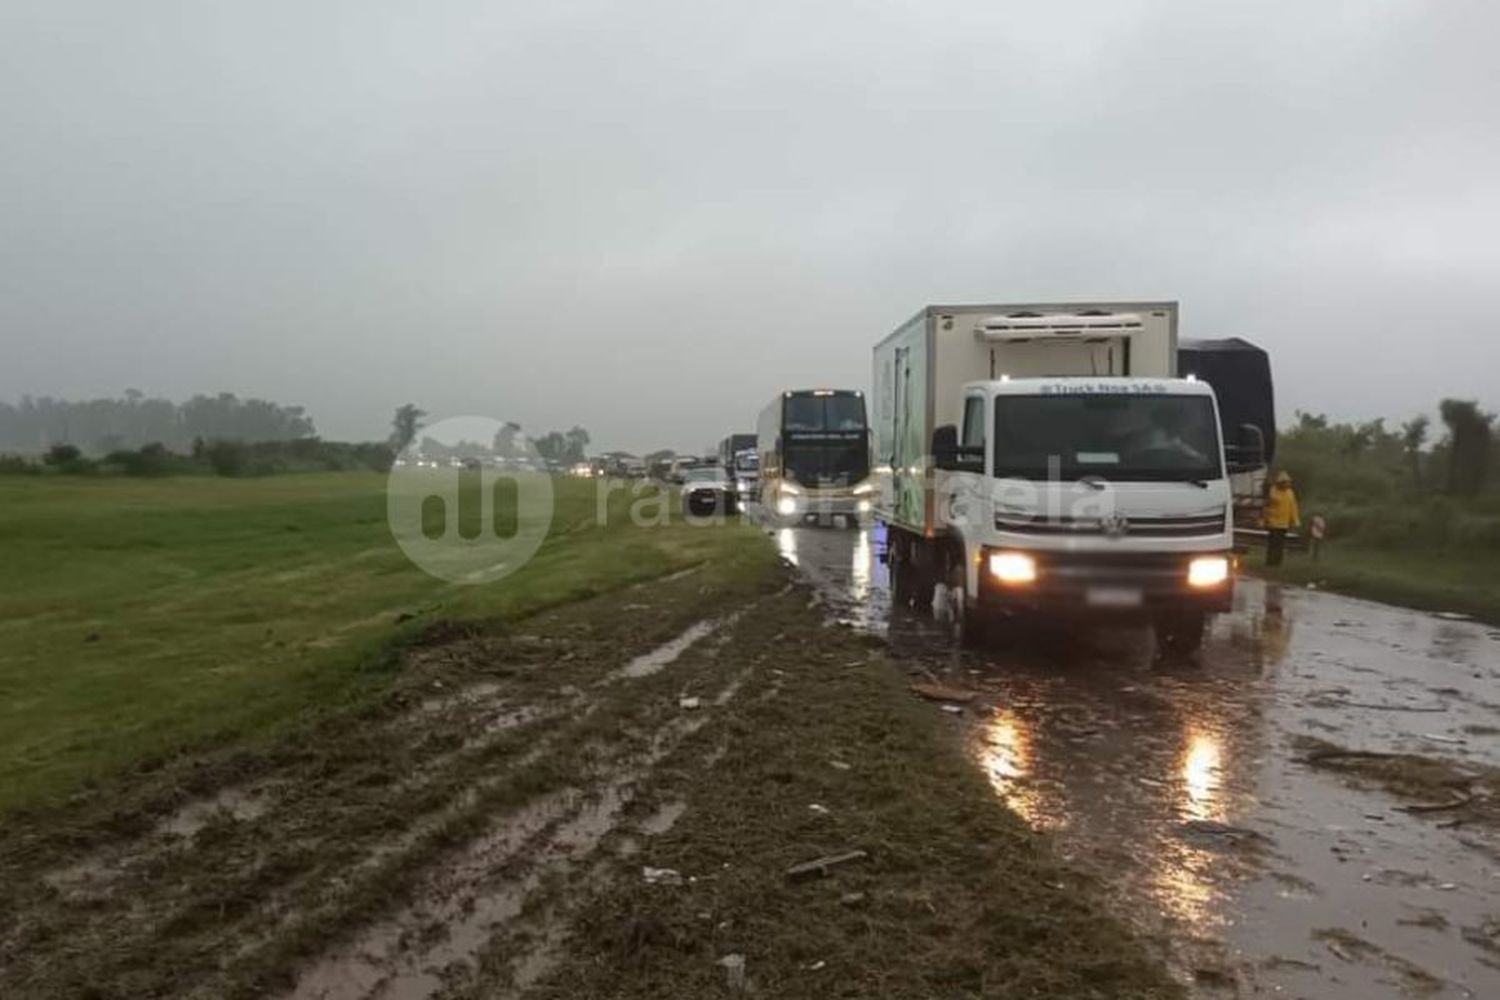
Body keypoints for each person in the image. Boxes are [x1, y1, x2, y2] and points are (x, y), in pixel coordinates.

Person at [1264, 471, 1301, 566]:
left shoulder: (1290, 493)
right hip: (1274, 523)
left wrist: (1296, 521)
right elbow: (1273, 499)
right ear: (1280, 483)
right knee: (1273, 544)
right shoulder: (1274, 491)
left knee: (1280, 544)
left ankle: (1277, 562)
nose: (1288, 484)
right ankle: (1270, 562)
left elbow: (1293, 507)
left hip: (1284, 523)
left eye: (1288, 482)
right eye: (1285, 482)